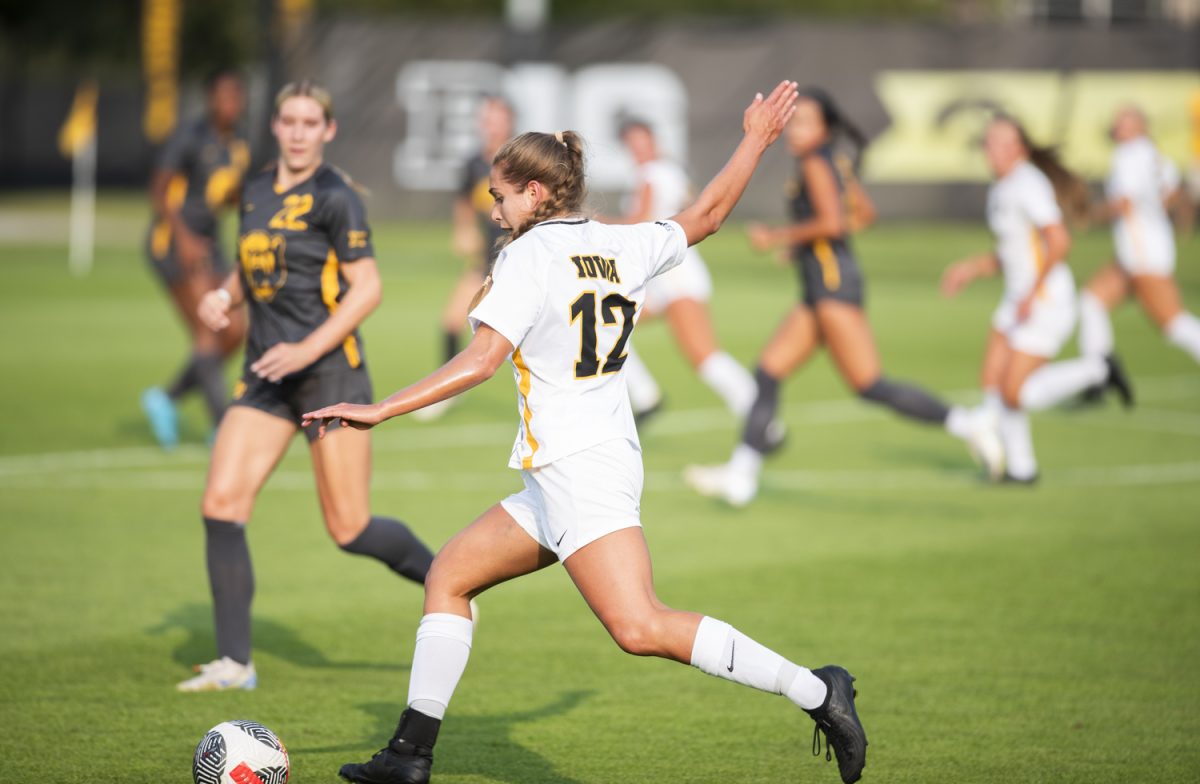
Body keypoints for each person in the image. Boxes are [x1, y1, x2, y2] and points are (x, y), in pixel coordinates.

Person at [303, 81, 868, 784]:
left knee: (639, 627)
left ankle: (817, 690)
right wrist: (756, 137)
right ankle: (409, 755)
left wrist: (378, 410)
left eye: (500, 195)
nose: (493, 206)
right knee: (449, 575)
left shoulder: (528, 257)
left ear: (537, 193)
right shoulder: (619, 243)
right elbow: (710, 214)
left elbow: (481, 361)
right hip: (576, 465)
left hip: (580, 469)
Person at [178, 81, 434, 691]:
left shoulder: (336, 196)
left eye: (309, 122)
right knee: (221, 505)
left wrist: (308, 348)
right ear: (276, 126)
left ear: (328, 130)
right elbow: (252, 262)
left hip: (329, 373)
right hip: (267, 375)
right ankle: (235, 664)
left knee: (349, 529)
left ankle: (444, 579)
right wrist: (223, 295)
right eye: (288, 120)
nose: (297, 131)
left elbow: (367, 288)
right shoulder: (257, 189)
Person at [684, 88, 1002, 508]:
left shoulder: (818, 161)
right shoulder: (832, 160)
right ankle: (741, 478)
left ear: (824, 128)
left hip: (833, 288)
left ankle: (969, 422)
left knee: (869, 385)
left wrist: (781, 236)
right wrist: (805, 246)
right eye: (793, 121)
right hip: (822, 287)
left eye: (805, 123)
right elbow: (861, 214)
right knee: (768, 372)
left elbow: (834, 222)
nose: (795, 130)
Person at [941, 115, 1133, 484]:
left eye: (999, 142)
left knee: (1014, 392)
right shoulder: (1002, 188)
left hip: (1044, 299)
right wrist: (971, 268)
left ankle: (1099, 370)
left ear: (1019, 149)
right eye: (988, 141)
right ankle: (1020, 468)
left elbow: (1059, 241)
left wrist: (1031, 293)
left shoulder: (1028, 183)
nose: (990, 148)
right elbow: (1012, 252)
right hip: (1018, 297)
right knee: (992, 382)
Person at [604, 117, 759, 426]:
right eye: (631, 144)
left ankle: (759, 415)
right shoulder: (670, 171)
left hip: (674, 276)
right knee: (606, 324)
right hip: (666, 276)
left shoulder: (651, 174)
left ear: (653, 140)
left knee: (705, 357)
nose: (637, 149)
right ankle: (645, 394)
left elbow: (640, 221)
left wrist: (593, 227)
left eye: (641, 141)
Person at [141, 70, 250, 448]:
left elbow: (228, 195)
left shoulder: (237, 146)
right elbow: (159, 190)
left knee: (235, 330)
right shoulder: (189, 136)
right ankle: (222, 424)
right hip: (173, 242)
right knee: (208, 330)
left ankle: (166, 398)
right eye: (223, 97)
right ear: (210, 99)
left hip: (210, 244)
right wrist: (184, 237)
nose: (230, 105)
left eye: (236, 98)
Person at [412, 96, 515, 422]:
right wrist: (463, 229)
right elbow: (463, 202)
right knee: (451, 321)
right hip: (484, 262)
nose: (490, 125)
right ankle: (447, 394)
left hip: (515, 262)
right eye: (485, 118)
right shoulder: (473, 164)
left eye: (496, 118)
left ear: (509, 122)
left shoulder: (520, 160)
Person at [1078, 105, 1200, 371]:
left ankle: (1098, 371)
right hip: (1142, 251)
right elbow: (1173, 197)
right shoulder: (1157, 157)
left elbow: (1122, 204)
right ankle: (1098, 372)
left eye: (1123, 121)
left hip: (1141, 253)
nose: (1116, 126)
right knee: (1091, 301)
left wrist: (1088, 216)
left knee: (1172, 323)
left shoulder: (1128, 154)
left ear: (1139, 127)